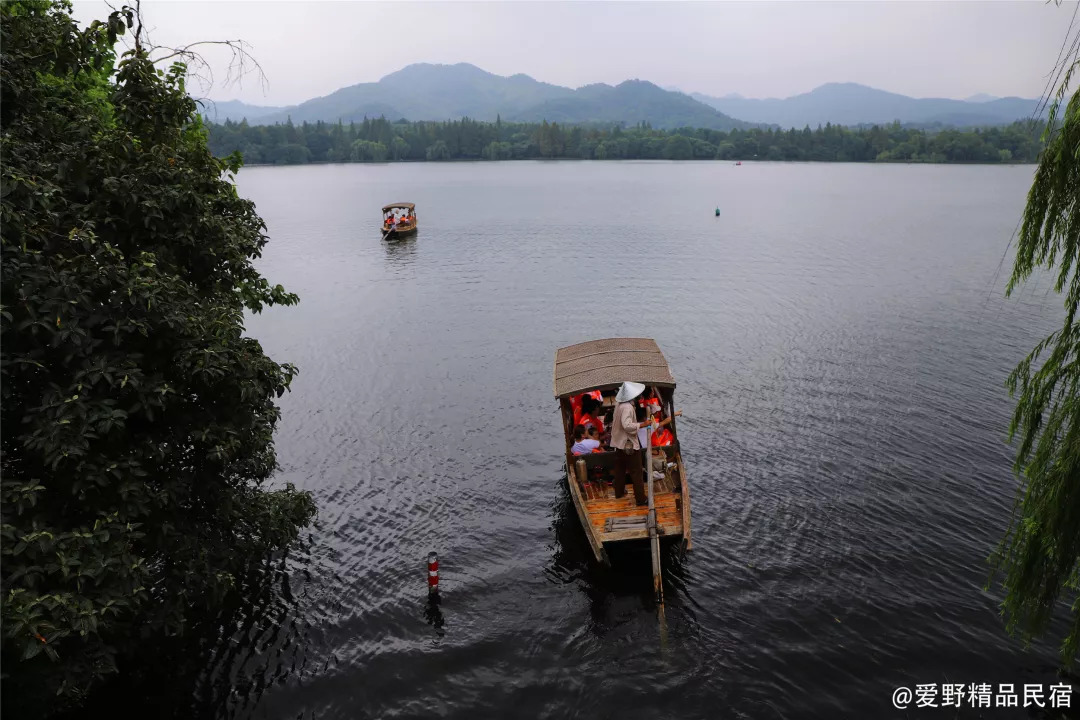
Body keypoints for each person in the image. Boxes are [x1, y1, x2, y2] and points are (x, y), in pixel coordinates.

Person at [609, 381, 655, 506]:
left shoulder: (619, 404)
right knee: (636, 472)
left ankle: (619, 492)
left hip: (618, 444)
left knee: (620, 469)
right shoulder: (628, 407)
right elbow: (627, 425)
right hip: (628, 445)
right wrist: (642, 424)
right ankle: (640, 499)